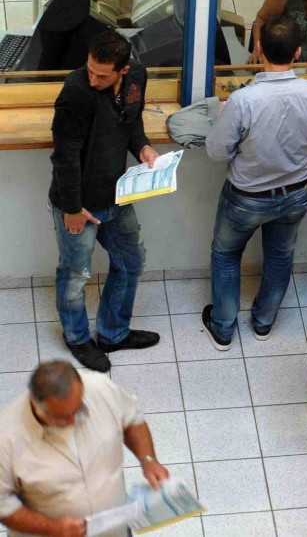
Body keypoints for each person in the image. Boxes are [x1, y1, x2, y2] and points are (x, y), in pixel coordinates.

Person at [204, 16, 307, 351]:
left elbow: (217, 152)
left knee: (227, 254)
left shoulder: (244, 100)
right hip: (296, 194)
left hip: (246, 196)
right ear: (299, 52)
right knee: (279, 256)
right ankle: (263, 322)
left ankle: (223, 329)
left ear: (258, 49)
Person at [48, 30, 161, 373]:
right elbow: (64, 156)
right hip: (79, 203)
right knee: (76, 274)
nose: (93, 78)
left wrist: (141, 146)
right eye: (90, 69)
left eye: (102, 74)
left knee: (131, 261)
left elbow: (132, 118)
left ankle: (113, 333)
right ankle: (78, 337)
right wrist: (70, 208)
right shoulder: (76, 93)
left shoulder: (136, 77)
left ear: (123, 70)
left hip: (118, 195)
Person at [0, 361, 170, 537]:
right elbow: (2, 504)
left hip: (114, 528)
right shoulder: (6, 437)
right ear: (36, 405)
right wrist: (52, 528)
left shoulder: (100, 388)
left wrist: (148, 459)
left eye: (78, 410)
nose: (73, 421)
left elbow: (132, 418)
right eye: (63, 417)